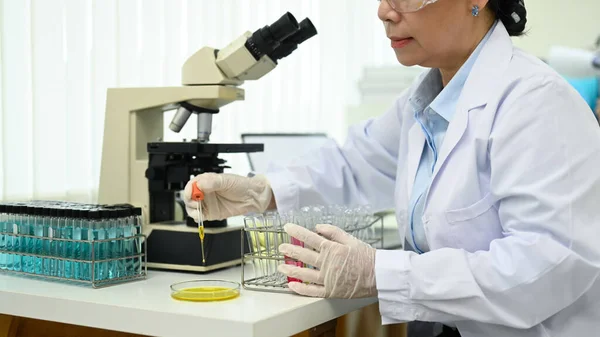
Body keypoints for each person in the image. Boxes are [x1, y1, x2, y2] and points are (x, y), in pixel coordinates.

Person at [184, 0, 600, 336]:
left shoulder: (537, 102)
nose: (385, 11)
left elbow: (546, 266)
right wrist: (263, 191)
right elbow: (354, 164)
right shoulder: (425, 98)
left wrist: (382, 273)